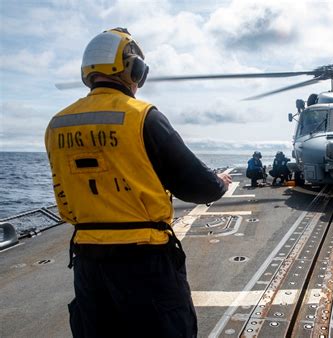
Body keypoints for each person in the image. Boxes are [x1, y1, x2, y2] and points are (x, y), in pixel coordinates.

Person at [44, 28, 232, 338]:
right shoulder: (143, 117)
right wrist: (219, 182)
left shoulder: (58, 124)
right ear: (134, 70)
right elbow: (198, 186)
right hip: (145, 261)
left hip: (88, 262)